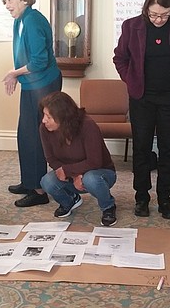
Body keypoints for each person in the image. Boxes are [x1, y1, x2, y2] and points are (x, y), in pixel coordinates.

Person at [113, 0, 170, 220]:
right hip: (142, 97)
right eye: (154, 14)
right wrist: (131, 80)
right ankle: (141, 197)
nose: (159, 20)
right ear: (146, 8)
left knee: (168, 149)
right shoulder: (132, 26)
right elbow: (120, 58)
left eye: (165, 15)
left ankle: (165, 199)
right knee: (142, 147)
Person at [0, 0, 62, 208]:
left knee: (35, 136)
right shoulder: (20, 20)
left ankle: (38, 191)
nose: (6, 5)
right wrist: (17, 75)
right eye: (4, 1)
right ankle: (29, 181)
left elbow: (39, 61)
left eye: (9, 0)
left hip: (43, 84)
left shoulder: (33, 21)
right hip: (31, 84)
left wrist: (13, 73)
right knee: (25, 134)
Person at [39, 92, 118, 226]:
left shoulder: (88, 126)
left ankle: (108, 206)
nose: (44, 120)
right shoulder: (44, 129)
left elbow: (95, 161)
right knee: (46, 182)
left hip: (100, 172)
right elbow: (51, 158)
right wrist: (73, 174)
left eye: (49, 117)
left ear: (62, 118)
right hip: (69, 173)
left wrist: (73, 172)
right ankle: (70, 201)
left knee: (90, 179)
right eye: (44, 115)